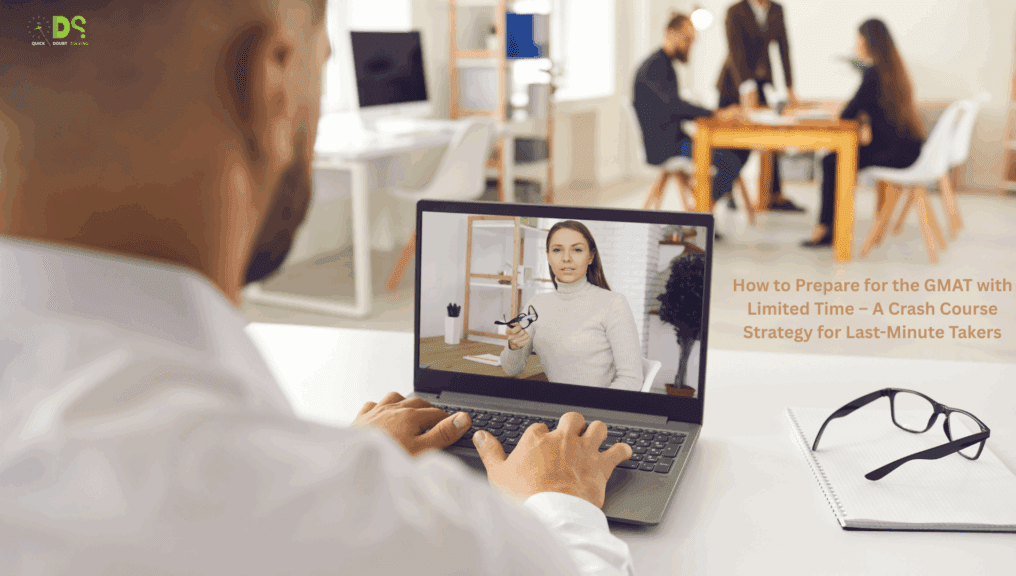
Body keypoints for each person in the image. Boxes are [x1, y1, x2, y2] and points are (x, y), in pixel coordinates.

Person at [0, 2, 634, 574]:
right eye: (323, 64)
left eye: (576, 250)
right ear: (270, 86)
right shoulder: (398, 533)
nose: (566, 258)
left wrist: (339, 460)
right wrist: (564, 503)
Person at [800, 19, 925, 247]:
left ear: (868, 42)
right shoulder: (892, 70)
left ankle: (826, 228)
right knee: (833, 160)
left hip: (896, 153)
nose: (856, 44)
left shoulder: (873, 73)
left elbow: (847, 114)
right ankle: (830, 226)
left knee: (831, 161)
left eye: (858, 39)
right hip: (908, 148)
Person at [500, 221, 644, 391]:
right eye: (557, 250)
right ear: (548, 256)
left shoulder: (613, 303)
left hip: (597, 406)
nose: (566, 258)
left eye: (577, 250)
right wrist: (514, 347)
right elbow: (512, 369)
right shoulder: (536, 305)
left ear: (591, 256)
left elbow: (632, 380)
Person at [633, 12, 744, 209]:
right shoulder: (655, 67)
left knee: (732, 152)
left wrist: (710, 113)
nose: (689, 45)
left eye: (692, 41)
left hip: (672, 141)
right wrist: (715, 114)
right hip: (665, 147)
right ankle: (701, 209)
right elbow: (675, 106)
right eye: (686, 39)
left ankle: (701, 207)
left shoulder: (663, 64)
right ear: (670, 33)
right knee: (730, 160)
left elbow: (673, 105)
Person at [716, 0, 805, 212]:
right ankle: (725, 191)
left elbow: (784, 48)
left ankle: (773, 194)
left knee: (772, 135)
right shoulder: (735, 11)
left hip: (763, 79)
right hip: (734, 82)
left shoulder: (776, 10)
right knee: (730, 141)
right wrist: (746, 87)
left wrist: (790, 86)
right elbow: (735, 49)